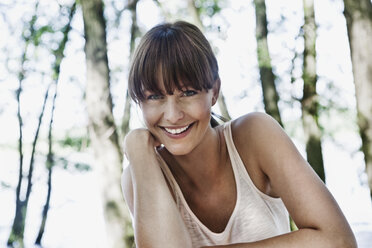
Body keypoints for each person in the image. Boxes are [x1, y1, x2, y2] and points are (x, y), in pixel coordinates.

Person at [121, 21, 357, 248]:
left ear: (214, 93)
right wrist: (137, 150)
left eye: (188, 92)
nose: (172, 115)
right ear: (139, 102)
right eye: (154, 96)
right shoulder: (141, 177)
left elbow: (339, 241)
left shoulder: (254, 136)